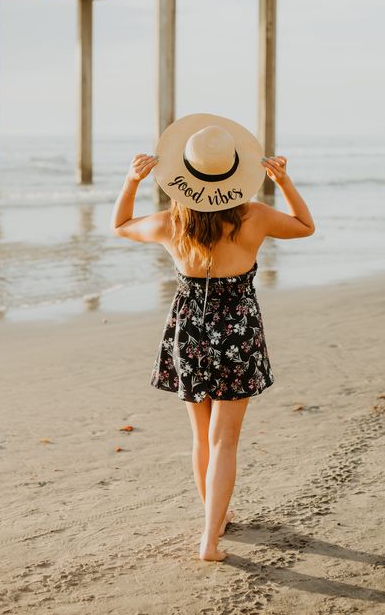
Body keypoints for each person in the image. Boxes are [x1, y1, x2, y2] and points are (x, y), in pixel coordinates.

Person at [110, 113, 315, 562]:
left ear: (185, 177)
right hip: (238, 330)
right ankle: (209, 539)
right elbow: (305, 225)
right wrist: (283, 181)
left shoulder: (170, 224)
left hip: (190, 330)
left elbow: (121, 224)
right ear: (233, 176)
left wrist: (130, 180)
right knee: (226, 440)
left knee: (202, 438)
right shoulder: (254, 217)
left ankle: (214, 520)